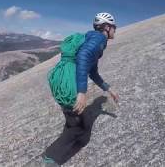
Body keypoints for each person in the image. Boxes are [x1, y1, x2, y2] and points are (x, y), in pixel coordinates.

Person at [41, 12, 120, 166]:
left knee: (77, 120)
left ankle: (72, 141)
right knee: (80, 125)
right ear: (107, 27)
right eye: (114, 27)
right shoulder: (99, 39)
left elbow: (93, 71)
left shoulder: (92, 39)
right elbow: (83, 57)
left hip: (63, 77)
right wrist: (81, 92)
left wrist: (108, 89)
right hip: (70, 81)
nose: (115, 31)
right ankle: (50, 157)